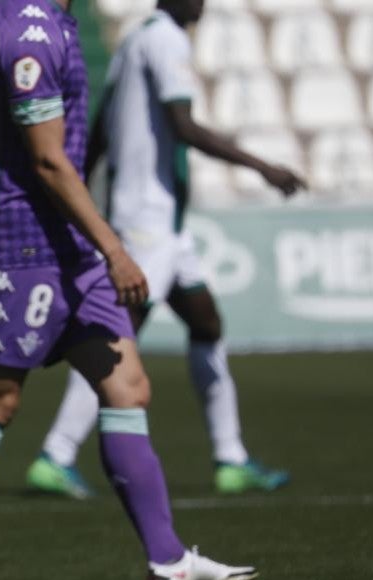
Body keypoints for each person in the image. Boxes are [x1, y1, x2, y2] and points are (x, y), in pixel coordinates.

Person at [0, 0, 258, 580]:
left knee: (127, 385)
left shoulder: (55, 24)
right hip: (29, 243)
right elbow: (48, 159)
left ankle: (168, 561)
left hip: (69, 247)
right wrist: (115, 250)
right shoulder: (29, 31)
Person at [23, 0, 304, 500]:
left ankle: (231, 458)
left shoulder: (133, 39)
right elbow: (183, 124)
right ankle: (55, 454)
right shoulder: (167, 38)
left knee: (206, 323)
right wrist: (263, 166)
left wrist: (80, 193)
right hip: (147, 223)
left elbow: (104, 128)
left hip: (162, 226)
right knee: (115, 341)